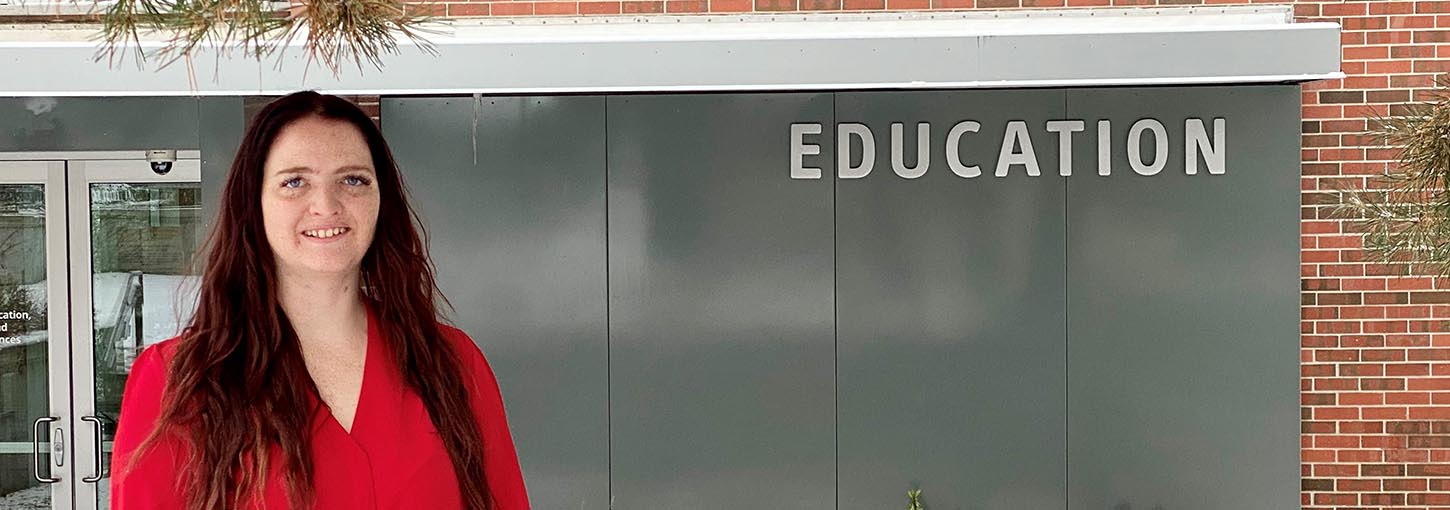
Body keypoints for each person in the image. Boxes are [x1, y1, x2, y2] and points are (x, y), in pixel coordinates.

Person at [110, 91, 530, 510]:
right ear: (253, 205)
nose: (326, 205)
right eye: (295, 182)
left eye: (353, 180)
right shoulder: (176, 383)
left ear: (381, 200)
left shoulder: (451, 363)